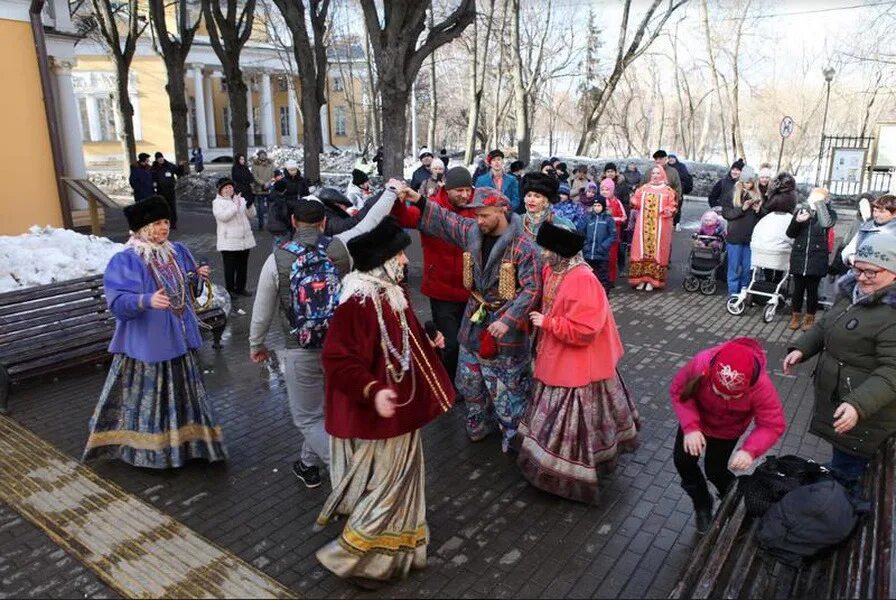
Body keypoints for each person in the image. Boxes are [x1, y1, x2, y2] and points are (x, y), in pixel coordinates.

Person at [313, 216, 453, 588]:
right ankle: (357, 558)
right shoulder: (357, 303)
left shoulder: (390, 292)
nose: (406, 261)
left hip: (396, 415)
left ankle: (389, 555)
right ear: (382, 260)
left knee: (399, 482)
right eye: (401, 255)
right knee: (388, 486)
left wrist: (427, 337)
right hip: (375, 418)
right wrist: (373, 390)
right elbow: (338, 360)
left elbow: (399, 340)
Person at [249, 186, 404, 488]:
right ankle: (307, 463)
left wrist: (257, 344)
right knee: (327, 410)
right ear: (323, 222)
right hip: (341, 347)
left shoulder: (276, 260)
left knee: (307, 418)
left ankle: (348, 472)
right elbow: (368, 223)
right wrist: (390, 193)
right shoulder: (339, 247)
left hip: (299, 348)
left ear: (294, 222)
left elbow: (262, 311)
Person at [83, 196, 227, 468]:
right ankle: (150, 454)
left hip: (180, 342)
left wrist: (197, 277)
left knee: (186, 400)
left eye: (166, 222)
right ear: (142, 227)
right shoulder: (127, 260)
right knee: (149, 404)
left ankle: (189, 446)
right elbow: (117, 303)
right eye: (157, 223)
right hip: (148, 349)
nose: (164, 228)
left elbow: (187, 293)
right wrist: (145, 300)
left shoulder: (177, 252)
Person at [405, 186, 542, 453]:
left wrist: (509, 319)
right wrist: (419, 200)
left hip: (505, 329)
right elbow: (447, 220)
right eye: (476, 215)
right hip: (473, 320)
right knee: (469, 380)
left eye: (484, 215)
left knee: (507, 385)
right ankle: (478, 422)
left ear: (502, 211)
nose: (478, 220)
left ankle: (512, 434)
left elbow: (532, 288)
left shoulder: (524, 247)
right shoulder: (472, 232)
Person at [518, 221, 639, 503]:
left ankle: (564, 475)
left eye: (547, 249)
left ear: (560, 252)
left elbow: (586, 330)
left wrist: (548, 323)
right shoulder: (552, 269)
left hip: (579, 362)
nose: (542, 253)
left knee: (572, 417)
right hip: (556, 354)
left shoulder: (584, 279)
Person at [784, 233, 896, 489]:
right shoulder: (853, 293)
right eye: (858, 269)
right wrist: (803, 348)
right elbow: (827, 325)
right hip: (844, 402)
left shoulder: (891, 313)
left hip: (866, 417)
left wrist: (857, 405)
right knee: (842, 462)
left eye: (872, 272)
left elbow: (892, 371)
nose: (862, 277)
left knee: (849, 474)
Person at [671, 337, 786, 533]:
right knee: (683, 461)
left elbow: (772, 424)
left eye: (733, 396)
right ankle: (702, 503)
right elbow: (680, 391)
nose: (725, 398)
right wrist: (690, 427)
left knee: (715, 470)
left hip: (727, 431)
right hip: (696, 422)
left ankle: (737, 503)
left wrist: (749, 451)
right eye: (719, 392)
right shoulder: (701, 363)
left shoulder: (761, 387)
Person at [391, 167, 476, 386]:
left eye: (468, 190)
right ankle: (447, 384)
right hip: (442, 290)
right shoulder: (431, 207)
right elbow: (406, 219)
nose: (465, 195)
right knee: (450, 343)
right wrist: (398, 199)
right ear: (447, 188)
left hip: (473, 290)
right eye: (459, 190)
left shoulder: (477, 208)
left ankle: (468, 383)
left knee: (470, 343)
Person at [787, 188, 837, 331]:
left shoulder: (829, 213)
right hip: (800, 255)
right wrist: (797, 220)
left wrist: (820, 205)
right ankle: (795, 316)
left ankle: (810, 317)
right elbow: (790, 233)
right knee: (797, 289)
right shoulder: (802, 211)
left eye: (820, 198)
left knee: (812, 290)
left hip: (817, 256)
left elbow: (826, 223)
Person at [629, 165, 678, 291]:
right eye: (653, 173)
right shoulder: (643, 189)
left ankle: (652, 280)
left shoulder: (668, 191)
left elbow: (673, 207)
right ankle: (641, 278)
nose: (655, 175)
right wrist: (633, 201)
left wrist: (667, 210)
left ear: (662, 175)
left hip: (659, 227)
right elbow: (636, 203)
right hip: (643, 227)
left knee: (657, 252)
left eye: (657, 173)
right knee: (640, 250)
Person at [721, 165, 763, 297]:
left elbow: (762, 217)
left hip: (751, 237)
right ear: (741, 181)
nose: (748, 185)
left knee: (747, 268)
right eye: (746, 182)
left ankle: (745, 290)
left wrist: (758, 211)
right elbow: (726, 214)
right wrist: (742, 209)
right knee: (734, 267)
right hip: (735, 236)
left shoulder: (757, 194)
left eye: (751, 182)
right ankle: (733, 292)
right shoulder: (732, 193)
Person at [213, 177, 256, 299]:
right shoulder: (217, 203)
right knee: (230, 267)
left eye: (230, 187)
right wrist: (235, 206)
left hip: (244, 239)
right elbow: (223, 217)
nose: (228, 190)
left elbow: (252, 215)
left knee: (243, 266)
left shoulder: (240, 199)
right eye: (225, 188)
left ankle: (240, 288)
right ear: (220, 190)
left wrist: (249, 205)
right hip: (228, 241)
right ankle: (230, 290)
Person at [750, 172, 797, 283]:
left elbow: (767, 207)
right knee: (781, 256)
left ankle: (768, 282)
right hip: (785, 224)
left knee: (769, 258)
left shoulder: (777, 196)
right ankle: (777, 282)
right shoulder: (793, 195)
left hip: (772, 224)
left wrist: (767, 196)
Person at [841, 194, 896, 265]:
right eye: (875, 211)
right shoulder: (866, 227)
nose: (876, 215)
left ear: (894, 213)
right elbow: (849, 249)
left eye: (882, 212)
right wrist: (850, 257)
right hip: (859, 270)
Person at [578, 193, 617, 291]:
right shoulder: (588, 218)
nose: (596, 208)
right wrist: (585, 245)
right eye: (595, 205)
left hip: (602, 255)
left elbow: (613, 236)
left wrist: (603, 247)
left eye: (599, 205)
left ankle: (604, 296)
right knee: (588, 277)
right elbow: (581, 233)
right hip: (588, 254)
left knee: (603, 278)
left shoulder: (608, 219)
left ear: (603, 206)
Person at [521, 172, 574, 241]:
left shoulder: (563, 225)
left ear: (547, 201)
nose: (531, 200)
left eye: (537, 196)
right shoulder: (516, 222)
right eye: (529, 195)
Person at [601, 178, 627, 286]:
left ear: (612, 190)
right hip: (600, 236)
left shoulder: (617, 202)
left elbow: (624, 217)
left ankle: (611, 279)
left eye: (607, 189)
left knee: (611, 259)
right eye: (602, 189)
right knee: (600, 259)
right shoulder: (598, 202)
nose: (604, 191)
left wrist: (612, 220)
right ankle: (600, 278)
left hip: (613, 237)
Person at [151, 151, 179, 229]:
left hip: (170, 190)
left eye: (161, 158)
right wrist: (154, 185)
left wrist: (181, 166)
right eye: (159, 159)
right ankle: (164, 224)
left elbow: (178, 171)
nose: (161, 160)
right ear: (156, 160)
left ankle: (173, 223)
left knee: (172, 207)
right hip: (160, 191)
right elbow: (152, 177)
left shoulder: (169, 165)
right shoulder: (154, 168)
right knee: (163, 208)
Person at [667, 154, 693, 231]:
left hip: (678, 189)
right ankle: (668, 222)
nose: (671, 160)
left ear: (676, 159)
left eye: (672, 158)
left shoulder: (681, 166)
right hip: (667, 189)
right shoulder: (666, 167)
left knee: (677, 206)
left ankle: (676, 223)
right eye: (669, 158)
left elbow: (685, 177)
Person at [252, 150, 275, 229]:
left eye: (264, 154)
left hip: (269, 188)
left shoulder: (270, 163)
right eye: (261, 155)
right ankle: (261, 224)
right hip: (259, 188)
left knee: (270, 207)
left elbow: (273, 174)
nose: (263, 156)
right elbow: (254, 176)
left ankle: (270, 224)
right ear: (258, 155)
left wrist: (268, 183)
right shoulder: (255, 164)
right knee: (260, 208)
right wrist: (263, 183)